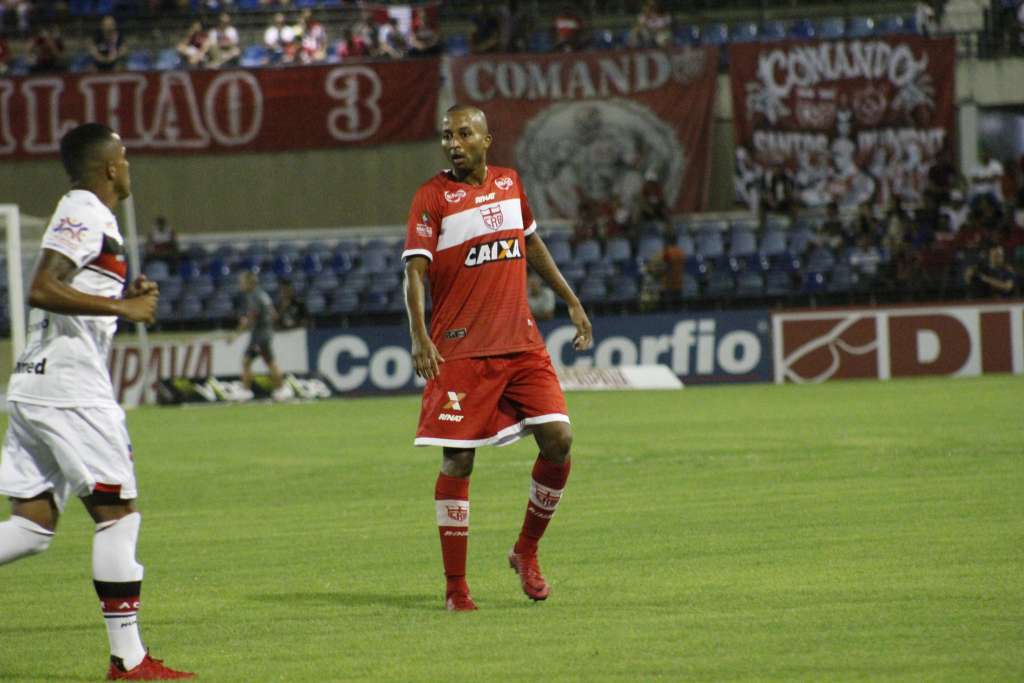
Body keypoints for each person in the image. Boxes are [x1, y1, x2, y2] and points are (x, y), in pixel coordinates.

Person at [0, 123, 194, 680]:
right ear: (110, 167)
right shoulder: (86, 210)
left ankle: (129, 660)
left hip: (36, 386)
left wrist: (119, 295)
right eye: (125, 158)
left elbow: (66, 288)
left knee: (32, 527)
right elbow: (41, 286)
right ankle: (129, 662)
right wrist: (123, 311)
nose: (129, 166)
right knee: (117, 518)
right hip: (69, 391)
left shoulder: (82, 214)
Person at [403, 105, 593, 612]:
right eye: (447, 135)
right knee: (459, 458)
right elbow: (415, 274)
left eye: (464, 133)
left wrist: (572, 301)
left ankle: (525, 551)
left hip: (522, 345)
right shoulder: (432, 197)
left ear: (488, 138)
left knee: (559, 438)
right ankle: (455, 588)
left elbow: (531, 245)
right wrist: (420, 335)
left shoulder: (510, 183)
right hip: (461, 349)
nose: (453, 142)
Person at [236, 271, 290, 401]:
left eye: (242, 282)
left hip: (260, 336)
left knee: (266, 362)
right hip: (263, 334)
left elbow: (253, 316)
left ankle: (281, 389)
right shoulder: (262, 295)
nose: (240, 285)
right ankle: (246, 391)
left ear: (250, 283)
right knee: (250, 361)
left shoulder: (253, 296)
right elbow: (274, 315)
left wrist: (243, 325)